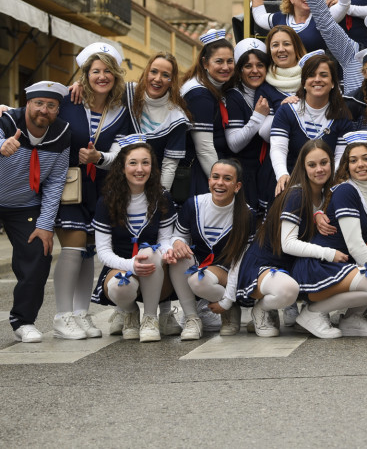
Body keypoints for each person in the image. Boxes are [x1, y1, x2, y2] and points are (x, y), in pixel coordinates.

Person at [55, 43, 132, 340]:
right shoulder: (67, 99)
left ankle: (80, 313)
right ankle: (62, 316)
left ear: (115, 75)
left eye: (107, 71)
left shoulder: (122, 110)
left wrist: (99, 158)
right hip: (68, 185)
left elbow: (120, 151)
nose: (101, 77)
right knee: (73, 249)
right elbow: (38, 107)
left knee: (88, 252)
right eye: (95, 71)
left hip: (101, 186)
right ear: (85, 75)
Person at [293, 131, 367, 338]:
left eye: (366, 159)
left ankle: (352, 318)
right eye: (353, 160)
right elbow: (354, 245)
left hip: (342, 264)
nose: (360, 164)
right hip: (320, 267)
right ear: (346, 165)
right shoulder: (346, 191)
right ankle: (313, 313)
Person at [238, 139, 333, 337]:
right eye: (312, 165)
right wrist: (328, 253)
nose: (319, 169)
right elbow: (288, 244)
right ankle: (261, 309)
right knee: (287, 291)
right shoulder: (296, 194)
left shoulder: (329, 195)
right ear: (303, 167)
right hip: (265, 264)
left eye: (324, 163)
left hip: (293, 265)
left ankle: (310, 312)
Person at [0, 82, 70, 343]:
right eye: (38, 103)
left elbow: (55, 182)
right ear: (26, 103)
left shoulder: (62, 132)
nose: (44, 110)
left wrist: (45, 224)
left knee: (38, 254)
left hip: (25, 204)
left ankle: (23, 321)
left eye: (51, 105)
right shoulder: (6, 120)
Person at [90, 139, 177, 342]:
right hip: (122, 267)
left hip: (155, 270)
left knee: (149, 252)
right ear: (121, 167)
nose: (140, 169)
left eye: (145, 163)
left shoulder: (162, 197)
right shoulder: (107, 201)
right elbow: (103, 252)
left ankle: (150, 318)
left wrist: (167, 252)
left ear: (152, 167)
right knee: (120, 286)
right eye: (133, 163)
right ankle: (129, 312)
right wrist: (130, 265)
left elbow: (165, 240)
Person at [162, 158, 256, 339]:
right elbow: (178, 236)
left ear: (237, 186)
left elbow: (242, 261)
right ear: (209, 181)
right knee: (179, 256)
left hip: (230, 271)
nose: (220, 183)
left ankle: (230, 309)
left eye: (227, 179)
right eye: (215, 177)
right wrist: (178, 242)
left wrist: (228, 300)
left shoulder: (246, 214)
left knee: (199, 280)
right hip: (200, 265)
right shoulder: (193, 205)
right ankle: (192, 317)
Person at [271, 53, 353, 195]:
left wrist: (328, 186)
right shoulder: (287, 110)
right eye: (311, 75)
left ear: (333, 83)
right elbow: (278, 147)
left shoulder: (342, 115)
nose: (317, 80)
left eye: (323, 75)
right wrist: (282, 174)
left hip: (326, 185)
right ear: (303, 82)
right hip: (290, 183)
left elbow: (340, 157)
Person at [118, 53, 191, 192]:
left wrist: (160, 198)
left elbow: (169, 166)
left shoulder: (176, 117)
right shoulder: (127, 93)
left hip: (151, 187)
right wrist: (80, 85)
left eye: (165, 75)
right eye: (154, 72)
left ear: (172, 81)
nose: (157, 79)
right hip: (118, 183)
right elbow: (99, 90)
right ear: (146, 72)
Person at [225, 38, 277, 216]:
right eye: (248, 66)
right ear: (239, 70)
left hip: (267, 172)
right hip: (245, 176)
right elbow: (234, 143)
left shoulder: (272, 92)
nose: (255, 70)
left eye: (260, 65)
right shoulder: (234, 97)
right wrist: (258, 117)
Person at [181, 30, 235, 198]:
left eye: (230, 61)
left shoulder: (211, 87)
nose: (225, 67)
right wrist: (221, 183)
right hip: (201, 174)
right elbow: (204, 148)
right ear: (205, 63)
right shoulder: (199, 95)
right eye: (219, 61)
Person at [246, 0, 344, 53]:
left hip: (313, 73)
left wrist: (338, 2)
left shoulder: (322, 18)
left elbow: (343, 8)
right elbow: (260, 17)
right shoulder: (280, 18)